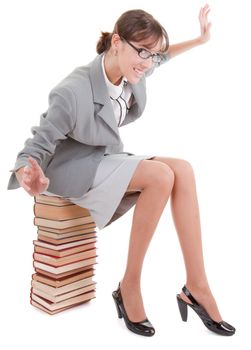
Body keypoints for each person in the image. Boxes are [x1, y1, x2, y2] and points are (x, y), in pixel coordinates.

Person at [7, 4, 236, 337]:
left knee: (182, 169)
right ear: (116, 42)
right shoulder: (72, 91)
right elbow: (35, 147)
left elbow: (164, 56)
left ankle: (197, 286)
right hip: (73, 169)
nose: (148, 62)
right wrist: (26, 175)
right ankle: (129, 285)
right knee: (160, 175)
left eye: (152, 55)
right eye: (142, 51)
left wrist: (199, 40)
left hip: (103, 158)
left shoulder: (134, 68)